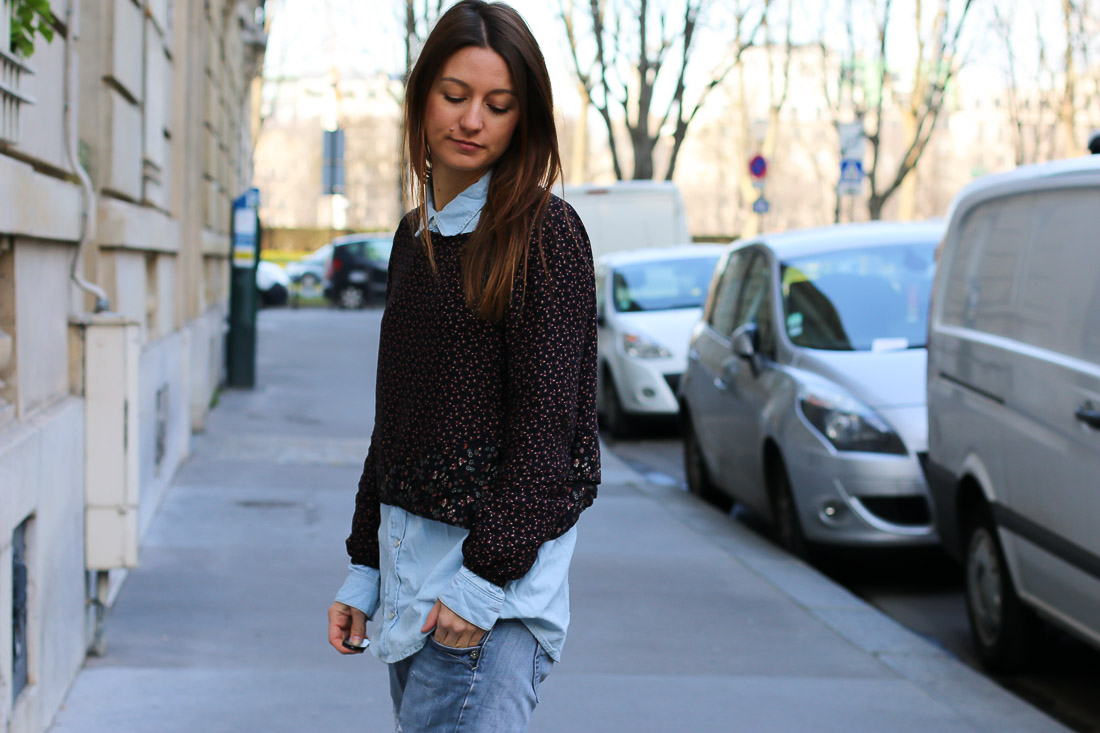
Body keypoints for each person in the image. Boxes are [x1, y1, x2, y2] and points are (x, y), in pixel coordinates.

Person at [325, 2, 600, 731]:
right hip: (412, 586)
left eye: (498, 104)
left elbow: (550, 440)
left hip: (488, 603)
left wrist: (480, 588)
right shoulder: (416, 238)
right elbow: (397, 424)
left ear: (522, 119)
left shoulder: (547, 237)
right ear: (420, 101)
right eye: (454, 96)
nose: (472, 119)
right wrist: (365, 568)